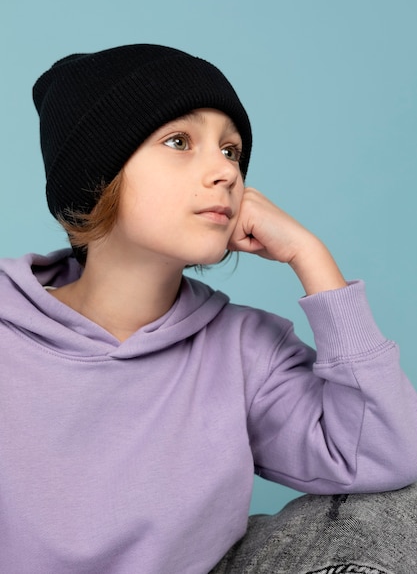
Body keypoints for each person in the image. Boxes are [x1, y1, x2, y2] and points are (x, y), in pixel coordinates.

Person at [0, 44, 416, 574]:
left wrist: (311, 258)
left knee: (399, 508)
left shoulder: (243, 350)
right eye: (179, 141)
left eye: (231, 150)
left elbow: (385, 453)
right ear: (97, 174)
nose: (224, 172)